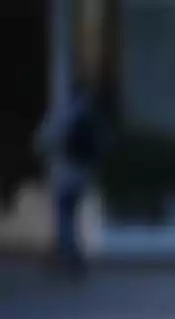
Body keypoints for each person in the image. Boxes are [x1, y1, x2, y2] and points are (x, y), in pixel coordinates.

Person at [34, 81, 101, 278]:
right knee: (70, 216)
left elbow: (44, 141)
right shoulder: (87, 116)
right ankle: (65, 254)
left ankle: (71, 256)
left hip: (65, 174)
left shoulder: (65, 115)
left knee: (64, 217)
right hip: (82, 174)